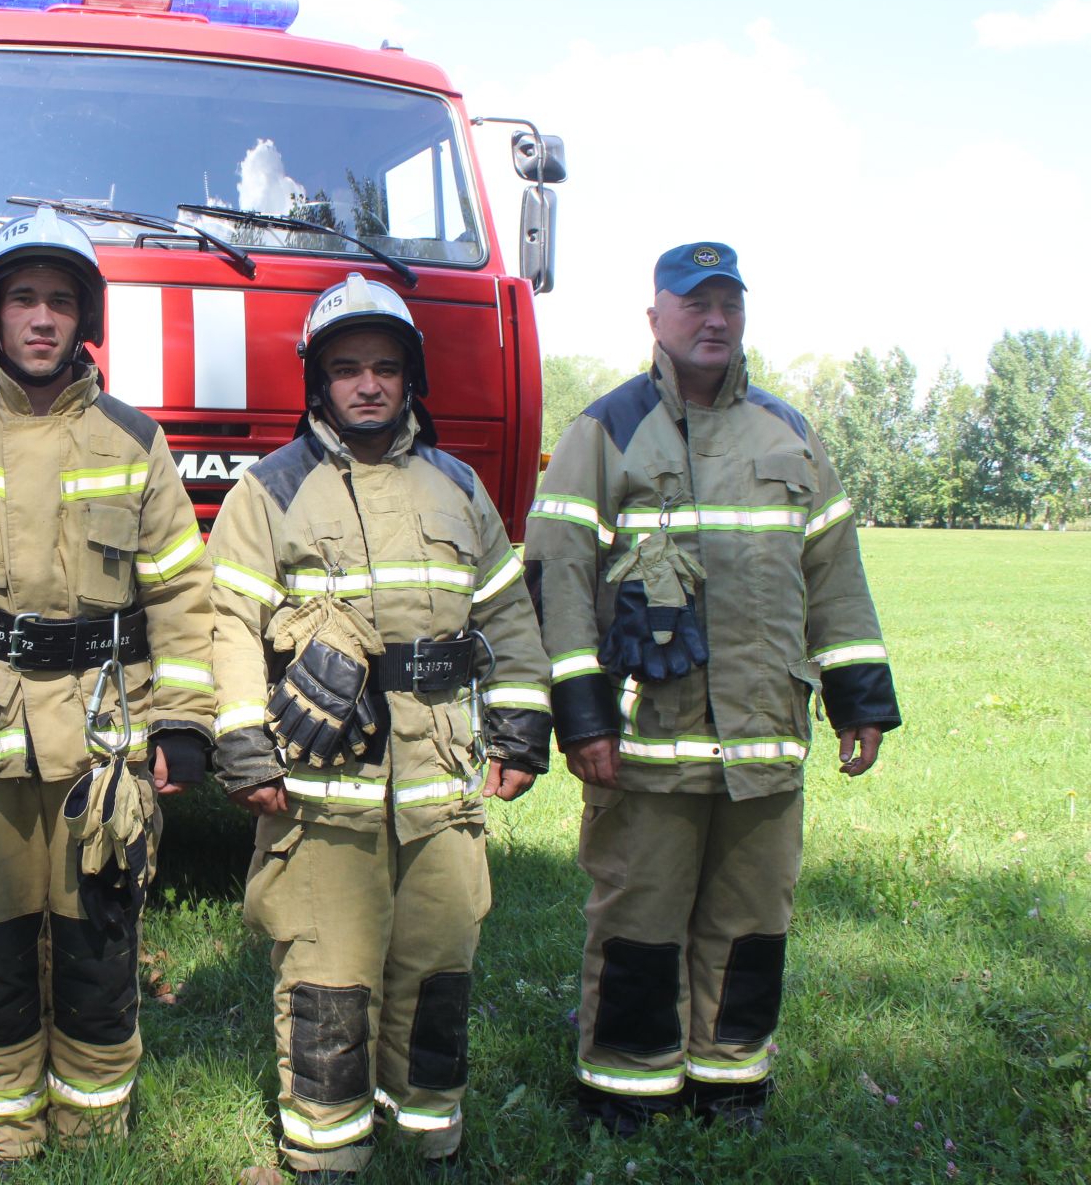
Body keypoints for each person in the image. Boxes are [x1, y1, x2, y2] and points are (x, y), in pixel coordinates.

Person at [0, 206, 215, 1180]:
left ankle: (95, 1135)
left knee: (99, 950)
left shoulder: (134, 443)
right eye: (24, 298)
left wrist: (184, 721)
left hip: (103, 748)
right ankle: (0, 1143)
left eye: (62, 300)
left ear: (85, 317)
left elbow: (182, 593)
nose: (43, 318)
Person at [524, 241, 902, 1134]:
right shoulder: (605, 431)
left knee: (751, 921)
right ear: (656, 317)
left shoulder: (790, 436)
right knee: (641, 919)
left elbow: (836, 574)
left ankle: (732, 1088)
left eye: (728, 303)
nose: (715, 320)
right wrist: (578, 718)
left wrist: (860, 698)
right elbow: (558, 579)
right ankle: (626, 1091)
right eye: (695, 304)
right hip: (645, 741)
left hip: (767, 739)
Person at [207, 273, 552, 1182]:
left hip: (440, 783)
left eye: (386, 369)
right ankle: (328, 1152)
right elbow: (228, 624)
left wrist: (520, 725)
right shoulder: (270, 491)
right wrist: (242, 743)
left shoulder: (458, 487)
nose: (368, 385)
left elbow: (506, 614)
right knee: (329, 976)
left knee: (439, 968)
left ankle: (430, 1136)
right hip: (325, 787)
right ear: (317, 382)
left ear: (411, 381)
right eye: (348, 369)